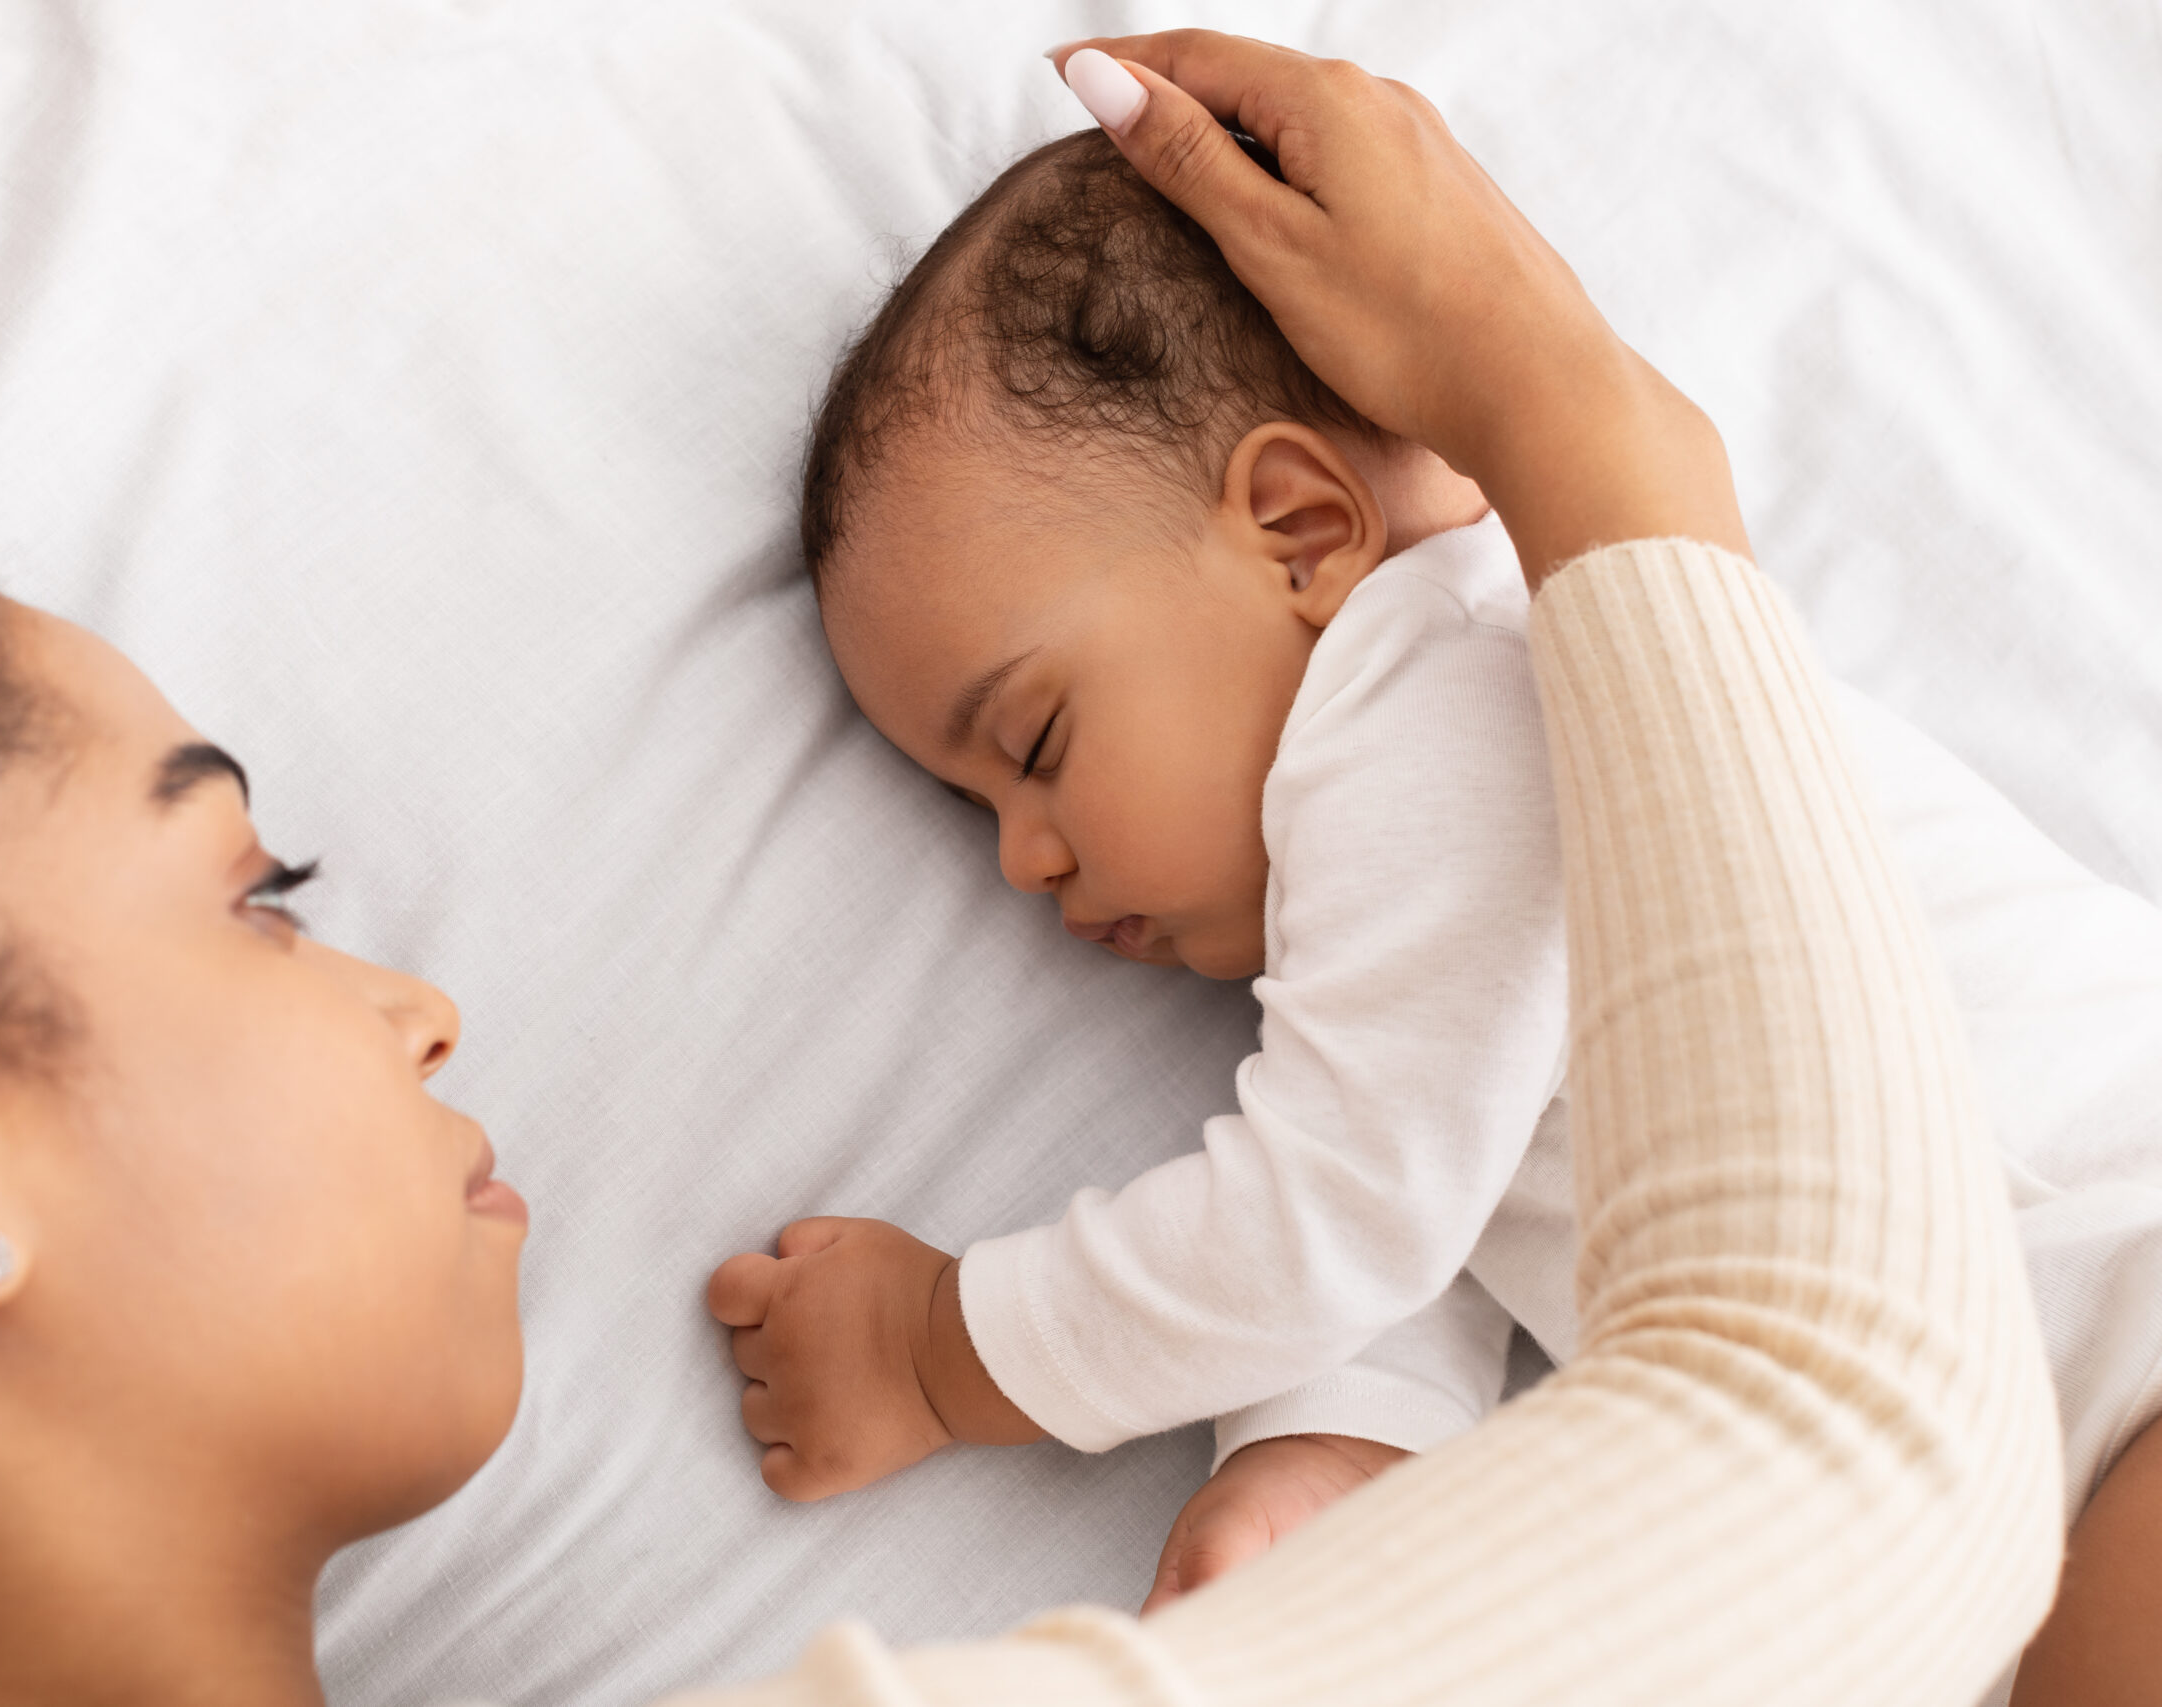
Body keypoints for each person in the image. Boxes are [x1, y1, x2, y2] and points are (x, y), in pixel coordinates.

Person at [0, 28, 2063, 1707]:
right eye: (257, 891)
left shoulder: (1417, 696)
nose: (417, 997)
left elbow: (1407, 1165)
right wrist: (1582, 431)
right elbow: (1851, 1451)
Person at [708, 47, 2162, 1692]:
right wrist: (1340, 1439)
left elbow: (1347, 1200)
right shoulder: (1414, 823)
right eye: (975, 810)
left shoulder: (1435, 685)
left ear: (1304, 535)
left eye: (1034, 746)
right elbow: (1455, 1165)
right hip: (2021, 1440)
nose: (1026, 857)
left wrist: (947, 1347)